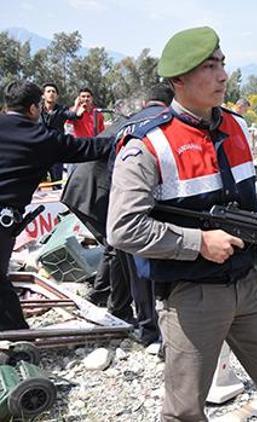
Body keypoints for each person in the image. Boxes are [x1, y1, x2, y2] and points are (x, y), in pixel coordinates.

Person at [106, 27, 257, 421]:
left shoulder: (236, 127)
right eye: (208, 66)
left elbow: (249, 202)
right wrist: (198, 242)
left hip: (250, 287)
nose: (222, 75)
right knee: (185, 409)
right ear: (178, 81)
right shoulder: (148, 144)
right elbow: (123, 228)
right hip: (193, 297)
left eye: (222, 63)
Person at [63, 83, 175, 345]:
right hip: (99, 193)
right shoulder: (159, 123)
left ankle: (116, 307)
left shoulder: (131, 121)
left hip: (89, 190)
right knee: (131, 257)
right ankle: (144, 324)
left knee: (116, 250)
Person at [0, 80, 112, 331]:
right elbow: (87, 148)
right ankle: (18, 339)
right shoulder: (39, 137)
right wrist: (122, 139)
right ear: (32, 108)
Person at [40, 82, 84, 185]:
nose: (51, 93)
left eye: (54, 92)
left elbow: (71, 115)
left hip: (56, 151)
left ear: (57, 96)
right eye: (48, 91)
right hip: (39, 150)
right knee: (39, 183)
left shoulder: (61, 110)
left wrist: (78, 113)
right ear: (43, 95)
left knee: (57, 182)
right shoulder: (37, 109)